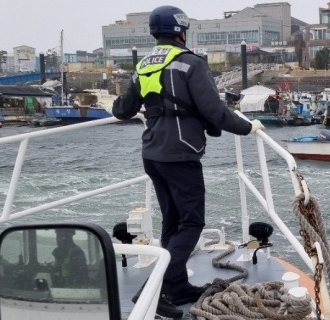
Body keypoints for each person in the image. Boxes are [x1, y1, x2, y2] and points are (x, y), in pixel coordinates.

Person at [107, 5, 264, 319]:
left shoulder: (143, 66)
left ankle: (176, 286)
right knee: (191, 223)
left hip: (152, 153)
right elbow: (215, 112)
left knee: (172, 222)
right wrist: (248, 127)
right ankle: (154, 289)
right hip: (180, 153)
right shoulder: (190, 63)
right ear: (181, 30)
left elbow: (122, 110)